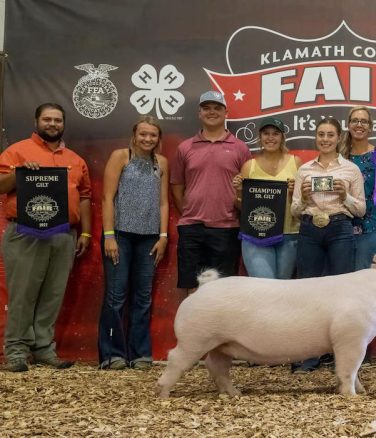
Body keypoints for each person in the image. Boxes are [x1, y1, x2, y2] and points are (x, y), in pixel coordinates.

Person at [0, 103, 92, 372]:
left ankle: (43, 348)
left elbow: (85, 196)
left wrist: (85, 231)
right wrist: (19, 173)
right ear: (36, 121)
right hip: (26, 231)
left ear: (63, 124)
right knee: (22, 293)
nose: (52, 124)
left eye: (57, 120)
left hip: (63, 232)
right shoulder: (17, 151)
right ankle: (16, 350)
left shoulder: (75, 159)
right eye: (47, 119)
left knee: (53, 293)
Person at [290, 117, 365, 372]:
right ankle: (309, 355)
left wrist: (346, 196)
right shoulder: (304, 171)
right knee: (306, 293)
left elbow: (361, 210)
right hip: (310, 228)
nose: (325, 139)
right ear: (316, 137)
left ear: (338, 137)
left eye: (330, 135)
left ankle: (342, 357)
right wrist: (304, 197)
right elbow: (295, 211)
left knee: (343, 295)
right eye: (321, 134)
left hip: (340, 227)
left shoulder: (351, 170)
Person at [97, 116, 169, 370]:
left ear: (158, 138)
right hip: (120, 235)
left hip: (149, 238)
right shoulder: (121, 157)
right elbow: (107, 198)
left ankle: (140, 354)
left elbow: (163, 202)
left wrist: (163, 236)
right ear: (134, 135)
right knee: (116, 296)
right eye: (143, 134)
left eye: (153, 135)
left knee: (143, 297)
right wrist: (108, 235)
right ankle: (112, 354)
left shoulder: (161, 163)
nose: (148, 139)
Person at [170, 91, 251, 294]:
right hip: (192, 228)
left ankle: (219, 328)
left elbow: (246, 190)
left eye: (217, 108)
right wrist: (190, 212)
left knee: (223, 290)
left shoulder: (240, 148)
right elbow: (177, 186)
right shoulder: (185, 147)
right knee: (192, 288)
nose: (211, 112)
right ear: (199, 113)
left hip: (227, 228)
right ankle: (193, 327)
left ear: (226, 113)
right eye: (207, 108)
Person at [232, 117, 303, 279]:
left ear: (282, 137)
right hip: (256, 235)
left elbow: (304, 204)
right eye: (266, 133)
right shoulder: (249, 166)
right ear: (260, 137)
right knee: (264, 288)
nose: (270, 137)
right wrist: (238, 192)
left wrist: (295, 193)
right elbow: (241, 208)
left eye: (275, 133)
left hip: (289, 234)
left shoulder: (296, 163)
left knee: (282, 290)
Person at [340, 106, 376, 270]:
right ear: (348, 125)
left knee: (363, 280)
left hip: (370, 228)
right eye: (355, 121)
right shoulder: (339, 155)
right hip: (341, 229)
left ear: (371, 126)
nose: (359, 124)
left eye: (364, 121)